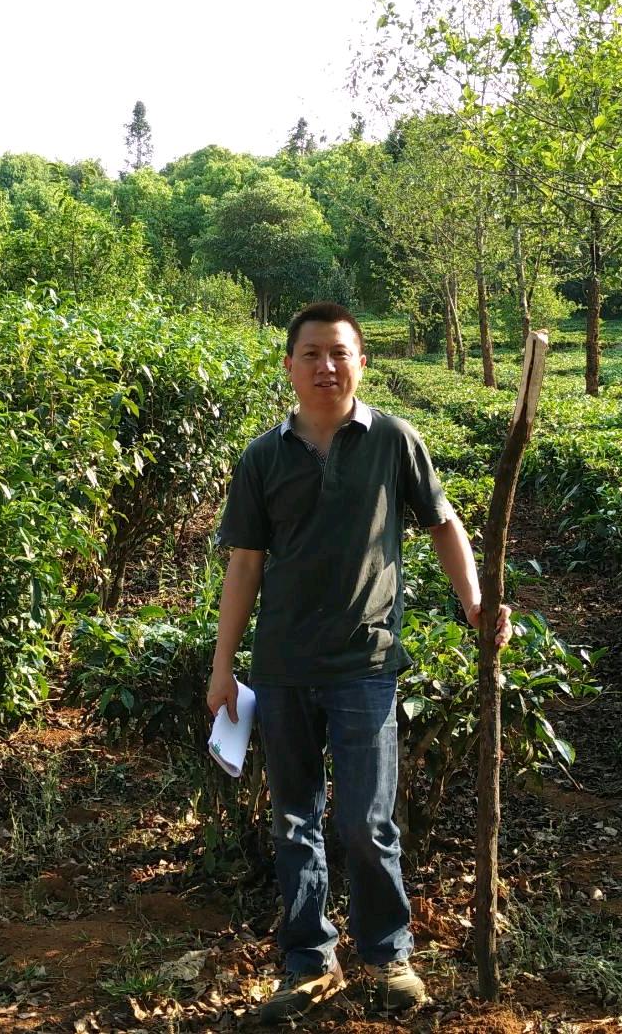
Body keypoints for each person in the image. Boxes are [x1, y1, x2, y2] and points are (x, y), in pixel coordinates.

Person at [207, 301, 511, 1024]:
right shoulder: (262, 458)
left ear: (361, 362)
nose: (326, 366)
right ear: (289, 366)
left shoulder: (393, 441)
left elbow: (443, 523)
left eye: (339, 353)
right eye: (311, 354)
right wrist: (224, 667)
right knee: (294, 820)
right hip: (281, 668)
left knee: (367, 823)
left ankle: (386, 954)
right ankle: (310, 962)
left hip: (365, 666)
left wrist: (475, 605)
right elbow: (244, 565)